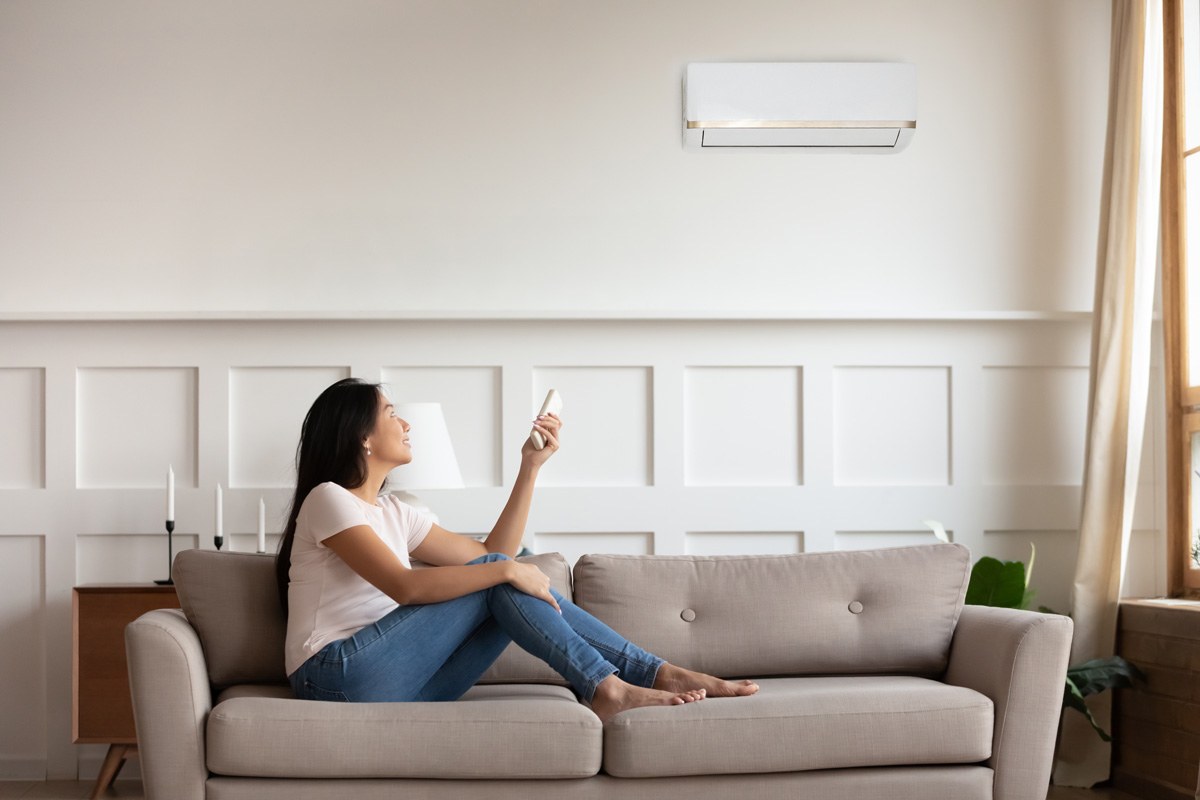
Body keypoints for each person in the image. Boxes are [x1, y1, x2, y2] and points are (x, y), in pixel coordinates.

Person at [277, 377, 758, 723]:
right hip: (335, 677)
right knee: (498, 575)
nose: (403, 422)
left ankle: (655, 673)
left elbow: (492, 553)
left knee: (497, 574)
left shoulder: (397, 512)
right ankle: (612, 685)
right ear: (363, 436)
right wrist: (503, 572)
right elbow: (405, 586)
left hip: (404, 682)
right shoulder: (328, 500)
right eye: (389, 413)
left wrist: (530, 467)